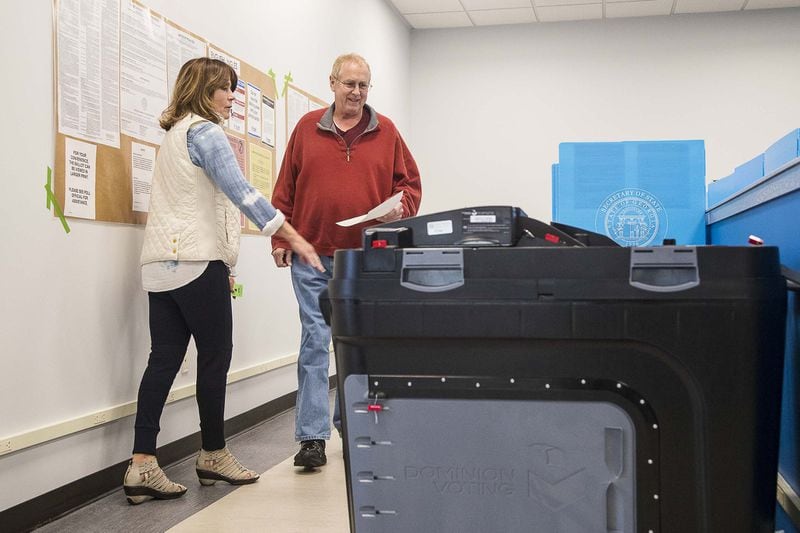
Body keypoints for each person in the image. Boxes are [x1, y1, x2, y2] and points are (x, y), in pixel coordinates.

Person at [124, 57, 323, 505]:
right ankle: (213, 454)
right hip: (197, 263)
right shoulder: (205, 133)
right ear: (204, 90)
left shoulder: (172, 136)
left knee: (163, 362)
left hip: (159, 266)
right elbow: (244, 193)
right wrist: (294, 236)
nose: (233, 97)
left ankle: (141, 465)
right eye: (226, 89)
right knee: (215, 359)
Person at [271, 53, 422, 469]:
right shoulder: (306, 129)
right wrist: (280, 239)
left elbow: (411, 185)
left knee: (358, 347)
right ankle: (313, 438)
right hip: (311, 254)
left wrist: (400, 208)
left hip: (365, 260)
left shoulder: (386, 131)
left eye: (363, 86)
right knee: (315, 343)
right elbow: (286, 186)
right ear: (333, 83)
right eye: (349, 84)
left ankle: (353, 427)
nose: (356, 92)